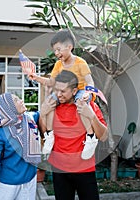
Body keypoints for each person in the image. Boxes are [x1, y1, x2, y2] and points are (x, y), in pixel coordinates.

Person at [39, 70, 108, 200]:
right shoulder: (53, 106)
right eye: (57, 90)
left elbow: (103, 136)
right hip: (60, 170)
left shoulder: (88, 105)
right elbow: (44, 133)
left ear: (75, 91)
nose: (59, 95)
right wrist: (43, 113)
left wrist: (91, 116)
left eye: (63, 91)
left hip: (84, 170)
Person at [29, 29, 98, 160]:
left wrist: (88, 93)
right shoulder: (58, 65)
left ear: (69, 47)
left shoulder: (80, 63)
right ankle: (49, 135)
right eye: (55, 50)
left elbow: (90, 81)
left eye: (59, 49)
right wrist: (36, 78)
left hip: (80, 91)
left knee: (81, 103)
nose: (56, 53)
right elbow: (51, 82)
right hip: (64, 92)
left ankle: (90, 137)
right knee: (49, 101)